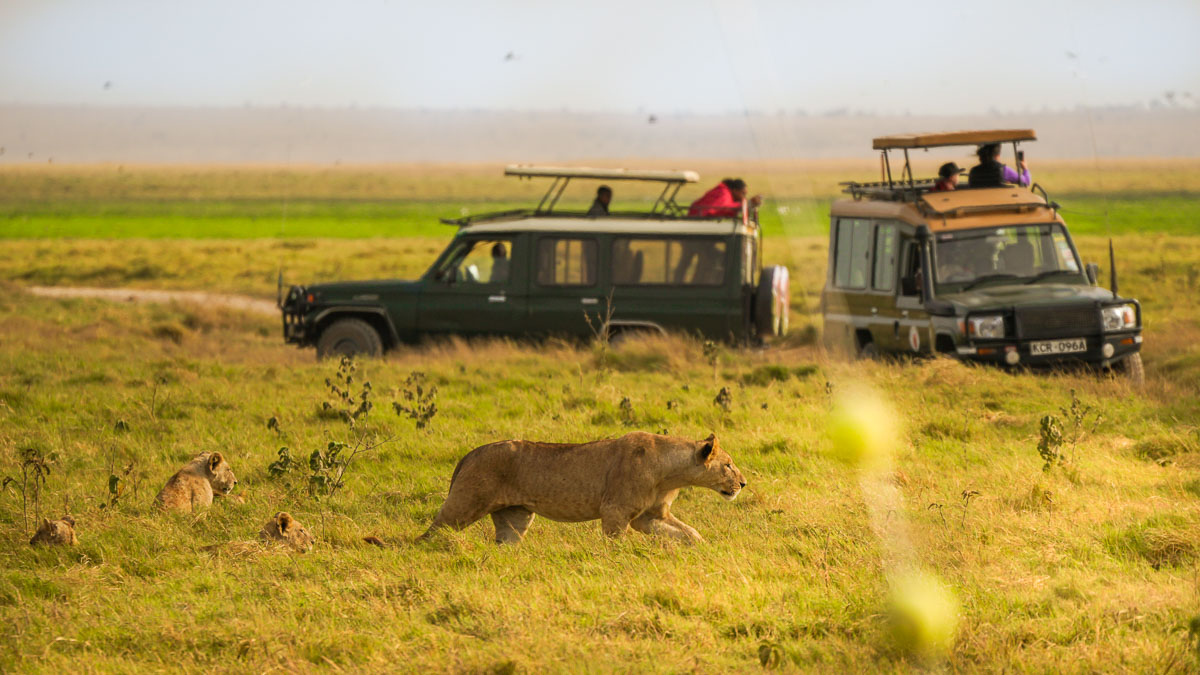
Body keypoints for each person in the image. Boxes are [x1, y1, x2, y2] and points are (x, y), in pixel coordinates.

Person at [688, 178, 762, 217]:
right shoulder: (724, 193)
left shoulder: (724, 191)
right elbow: (723, 208)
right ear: (735, 190)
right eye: (743, 193)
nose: (743, 197)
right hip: (697, 217)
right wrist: (748, 204)